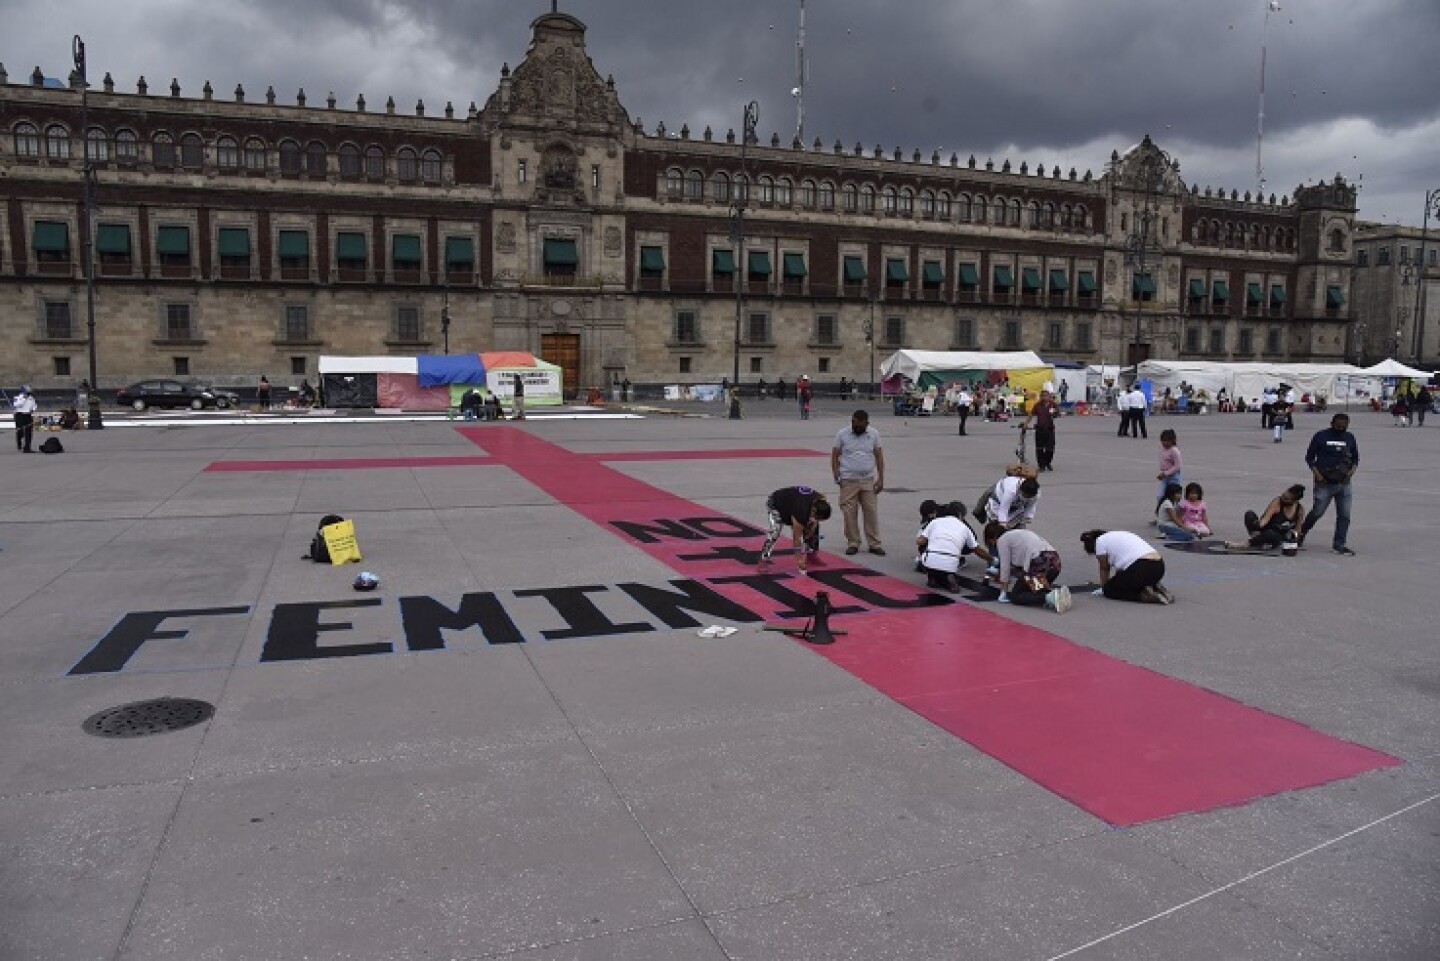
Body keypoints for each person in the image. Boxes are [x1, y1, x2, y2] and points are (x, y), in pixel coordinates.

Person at [1299, 412, 1358, 555]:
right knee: (1317, 512)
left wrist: (1351, 472)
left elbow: (1356, 458)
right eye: (1339, 425)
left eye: (1344, 425)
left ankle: (1339, 543)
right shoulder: (1321, 436)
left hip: (1344, 483)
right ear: (1332, 423)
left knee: (1344, 515)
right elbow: (1309, 457)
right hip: (1324, 483)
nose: (1342, 427)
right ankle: (1301, 531)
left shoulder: (1350, 437)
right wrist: (1317, 474)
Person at [831, 409, 885, 555]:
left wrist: (881, 478)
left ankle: (874, 544)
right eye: (855, 424)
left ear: (867, 423)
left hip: (868, 480)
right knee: (849, 513)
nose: (858, 427)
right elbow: (835, 455)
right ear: (852, 421)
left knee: (871, 512)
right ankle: (853, 542)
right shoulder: (842, 434)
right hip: (848, 480)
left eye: (861, 425)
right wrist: (836, 475)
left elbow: (879, 456)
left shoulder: (874, 434)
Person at [983, 522, 1070, 611]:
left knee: (1017, 595)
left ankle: (1050, 597)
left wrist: (1003, 591)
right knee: (1032, 589)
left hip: (1039, 562)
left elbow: (1005, 568)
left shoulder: (1002, 540)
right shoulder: (1016, 534)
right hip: (1054, 563)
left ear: (992, 538)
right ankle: (1056, 595)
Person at [1081, 529, 1172, 604]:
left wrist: (1104, 588)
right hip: (1159, 567)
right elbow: (1121, 573)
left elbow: (1104, 568)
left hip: (1141, 568)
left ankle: (1144, 596)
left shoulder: (1099, 542)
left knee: (1110, 590)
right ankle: (1155, 587)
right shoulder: (1118, 536)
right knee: (1124, 582)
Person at [759, 485, 831, 574]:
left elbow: (815, 520)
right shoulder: (801, 511)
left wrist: (813, 526)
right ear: (813, 510)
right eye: (816, 517)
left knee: (814, 528)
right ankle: (764, 559)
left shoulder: (821, 499)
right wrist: (799, 559)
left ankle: (811, 553)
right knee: (775, 531)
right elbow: (796, 538)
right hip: (777, 504)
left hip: (793, 502)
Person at [917, 503, 986, 592]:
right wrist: (991, 559)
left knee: (929, 559)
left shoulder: (935, 522)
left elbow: (919, 541)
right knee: (947, 565)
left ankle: (932, 576)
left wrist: (933, 538)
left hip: (931, 558)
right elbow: (976, 548)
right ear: (961, 515)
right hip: (951, 561)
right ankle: (950, 578)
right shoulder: (964, 527)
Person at [1232, 484, 1307, 550]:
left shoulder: (1299, 510)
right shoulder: (1277, 502)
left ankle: (1248, 543)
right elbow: (1265, 520)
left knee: (1271, 534)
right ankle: (1257, 539)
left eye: (1287, 499)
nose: (1283, 499)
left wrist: (1293, 542)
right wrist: (1257, 526)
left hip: (1278, 536)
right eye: (1283, 496)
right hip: (1267, 529)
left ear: (1294, 501)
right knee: (1249, 514)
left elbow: (1297, 530)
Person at [1022, 389, 1059, 471]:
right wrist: (1026, 423)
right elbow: (1031, 414)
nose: (1044, 397)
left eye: (1046, 396)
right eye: (1042, 396)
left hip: (1049, 429)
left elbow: (1057, 414)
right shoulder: (1037, 405)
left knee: (1050, 448)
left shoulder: (1053, 405)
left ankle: (1047, 462)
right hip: (1039, 429)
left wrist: (1054, 414)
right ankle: (1041, 465)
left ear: (1049, 396)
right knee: (1039, 448)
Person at [1155, 428, 1183, 516]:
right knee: (1160, 496)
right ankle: (1160, 515)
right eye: (1163, 441)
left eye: (1167, 441)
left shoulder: (1174, 451)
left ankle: (1177, 515)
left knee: (1174, 498)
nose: (1164, 443)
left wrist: (1166, 473)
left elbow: (1178, 466)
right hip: (1165, 477)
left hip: (1173, 477)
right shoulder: (1163, 449)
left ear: (1173, 440)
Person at [12, 385, 37, 452]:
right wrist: (24, 399)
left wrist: (33, 409)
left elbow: (34, 405)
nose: (28, 394)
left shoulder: (31, 398)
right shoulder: (18, 397)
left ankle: (27, 448)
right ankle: (19, 443)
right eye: (27, 393)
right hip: (20, 415)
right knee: (20, 431)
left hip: (28, 415)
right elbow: (16, 405)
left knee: (28, 432)